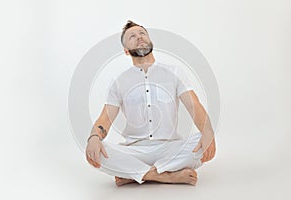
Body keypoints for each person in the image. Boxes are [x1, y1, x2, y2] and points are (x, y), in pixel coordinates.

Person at [86, 20, 216, 186]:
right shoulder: (119, 81)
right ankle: (164, 175)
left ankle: (135, 174)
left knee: (201, 139)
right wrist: (94, 137)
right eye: (132, 36)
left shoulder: (174, 72)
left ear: (150, 41)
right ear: (126, 51)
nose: (139, 37)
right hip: (134, 150)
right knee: (96, 151)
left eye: (142, 34)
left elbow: (193, 105)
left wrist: (208, 132)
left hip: (170, 148)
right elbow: (105, 119)